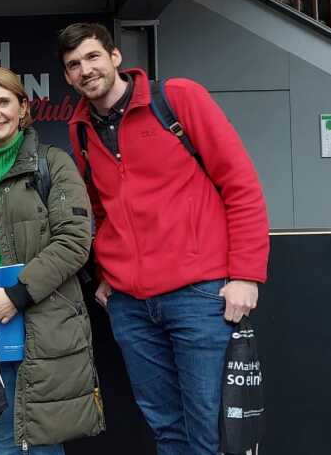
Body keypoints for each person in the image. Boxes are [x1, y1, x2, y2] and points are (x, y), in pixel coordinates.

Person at [60, 23, 270, 455]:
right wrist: (105, 275)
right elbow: (100, 209)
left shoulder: (176, 98)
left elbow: (241, 185)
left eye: (93, 56)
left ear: (115, 57)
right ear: (67, 77)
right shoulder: (80, 130)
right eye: (73, 65)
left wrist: (246, 275)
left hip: (200, 296)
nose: (85, 70)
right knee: (167, 431)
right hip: (131, 308)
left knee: (210, 433)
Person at [0, 67, 102, 455]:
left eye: (3, 102)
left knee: (40, 440)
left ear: (23, 108)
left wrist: (16, 295)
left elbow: (75, 240)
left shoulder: (54, 163)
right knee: (3, 438)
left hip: (44, 322)